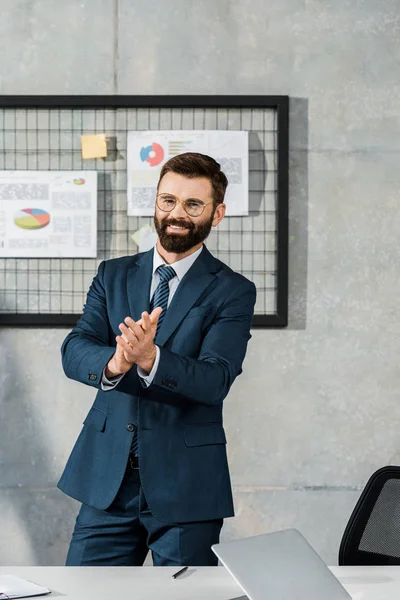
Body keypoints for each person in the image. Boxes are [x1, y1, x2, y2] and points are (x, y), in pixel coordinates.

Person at [58, 152, 257, 567]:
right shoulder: (112, 274)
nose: (177, 214)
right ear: (155, 204)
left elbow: (215, 379)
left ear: (216, 214)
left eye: (193, 204)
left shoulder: (233, 291)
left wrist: (151, 358)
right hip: (106, 479)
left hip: (186, 485)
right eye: (168, 200)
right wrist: (117, 362)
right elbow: (75, 350)